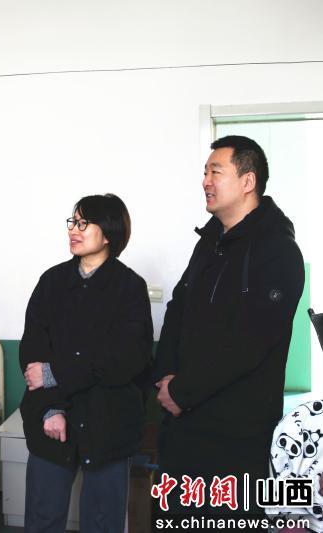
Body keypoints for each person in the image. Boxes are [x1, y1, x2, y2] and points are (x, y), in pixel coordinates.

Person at [153, 135, 305, 524]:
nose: (205, 181)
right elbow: (177, 310)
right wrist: (165, 379)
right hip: (183, 424)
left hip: (236, 434)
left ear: (248, 181)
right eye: (204, 172)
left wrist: (182, 391)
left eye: (215, 171)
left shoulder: (278, 250)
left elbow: (252, 342)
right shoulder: (209, 242)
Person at [19, 194, 153, 533]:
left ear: (108, 233)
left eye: (83, 223)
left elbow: (125, 360)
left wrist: (55, 373)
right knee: (43, 519)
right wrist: (50, 409)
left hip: (108, 423)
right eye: (73, 222)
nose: (73, 230)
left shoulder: (130, 287)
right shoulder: (51, 282)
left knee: (103, 522)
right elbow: (33, 352)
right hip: (51, 420)